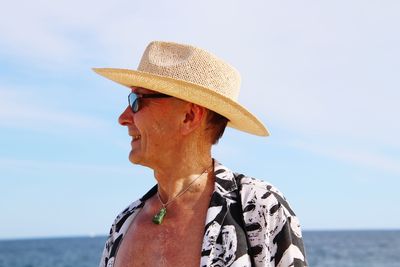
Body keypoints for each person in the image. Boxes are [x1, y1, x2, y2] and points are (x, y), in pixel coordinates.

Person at [93, 41, 307, 267]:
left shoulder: (258, 207)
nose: (123, 117)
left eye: (136, 101)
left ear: (189, 117)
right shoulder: (124, 224)